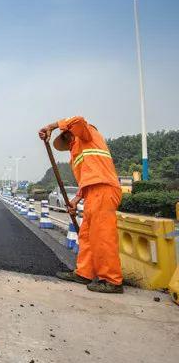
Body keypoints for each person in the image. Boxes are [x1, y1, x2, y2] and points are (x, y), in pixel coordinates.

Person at [39, 116, 123, 294]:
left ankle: (111, 280)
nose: (68, 143)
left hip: (104, 188)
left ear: (70, 133)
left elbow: (77, 120)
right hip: (93, 191)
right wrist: (76, 200)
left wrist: (52, 126)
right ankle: (84, 272)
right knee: (86, 235)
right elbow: (86, 180)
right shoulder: (76, 152)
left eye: (67, 137)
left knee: (102, 236)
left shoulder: (87, 134)